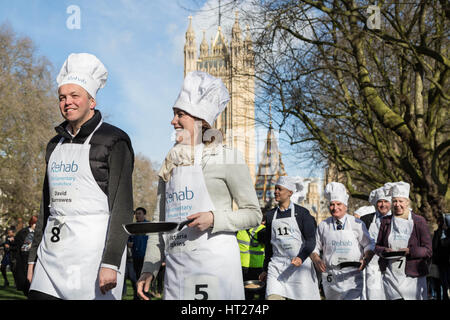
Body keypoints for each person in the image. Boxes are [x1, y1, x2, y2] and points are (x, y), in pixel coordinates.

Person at [136, 71, 262, 300]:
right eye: (174, 114)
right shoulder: (170, 161)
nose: (173, 121)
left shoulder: (227, 157)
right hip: (177, 268)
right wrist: (149, 268)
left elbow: (253, 214)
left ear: (200, 120)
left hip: (215, 267)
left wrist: (215, 219)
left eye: (180, 114)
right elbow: (159, 222)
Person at [27, 53, 134, 300]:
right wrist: (33, 257)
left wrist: (111, 262)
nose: (68, 102)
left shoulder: (115, 140)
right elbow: (46, 206)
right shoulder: (54, 144)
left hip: (93, 261)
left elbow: (122, 207)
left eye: (75, 95)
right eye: (62, 97)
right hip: (50, 257)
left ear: (91, 100)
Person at [258, 177, 320, 300]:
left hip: (299, 267)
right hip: (277, 266)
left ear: (290, 193)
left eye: (279, 189)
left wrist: (301, 258)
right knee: (272, 297)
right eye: (275, 188)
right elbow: (269, 246)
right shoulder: (270, 215)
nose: (276, 191)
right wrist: (265, 269)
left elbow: (311, 241)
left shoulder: (302, 213)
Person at [311, 182, 374, 300]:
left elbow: (369, 244)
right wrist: (317, 260)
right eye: (332, 204)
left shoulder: (357, 223)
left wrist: (366, 259)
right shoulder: (323, 225)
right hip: (331, 276)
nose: (335, 208)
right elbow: (315, 247)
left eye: (339, 204)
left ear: (345, 206)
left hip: (352, 275)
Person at [375, 181, 432, 300]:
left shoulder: (419, 221)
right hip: (391, 275)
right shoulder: (386, 221)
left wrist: (410, 251)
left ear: (407, 202)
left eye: (401, 201)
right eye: (394, 201)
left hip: (413, 276)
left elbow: (427, 251)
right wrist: (384, 250)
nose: (397, 204)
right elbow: (377, 246)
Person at [360, 183, 393, 300]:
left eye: (386, 201)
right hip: (371, 265)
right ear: (376, 203)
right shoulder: (366, 219)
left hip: (391, 264)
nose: (383, 204)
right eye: (380, 202)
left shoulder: (396, 219)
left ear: (391, 203)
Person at [237, 213, 266, 300]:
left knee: (245, 292)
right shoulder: (262, 230)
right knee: (261, 292)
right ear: (263, 221)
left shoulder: (239, 230)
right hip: (258, 267)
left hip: (242, 266)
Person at [12, 216, 38, 296]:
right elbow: (16, 247)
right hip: (23, 260)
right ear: (31, 224)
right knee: (25, 282)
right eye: (35, 224)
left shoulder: (39, 233)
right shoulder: (22, 233)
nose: (36, 226)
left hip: (36, 260)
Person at [431, 214, 449, 300]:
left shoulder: (439, 233)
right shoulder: (445, 233)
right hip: (445, 261)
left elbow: (434, 247)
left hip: (440, 261)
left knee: (441, 281)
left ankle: (441, 297)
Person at [128, 207, 149, 279]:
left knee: (147, 275)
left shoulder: (150, 225)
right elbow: (128, 239)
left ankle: (148, 289)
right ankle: (140, 290)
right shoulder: (132, 226)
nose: (137, 216)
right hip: (136, 256)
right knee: (138, 275)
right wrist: (128, 243)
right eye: (136, 214)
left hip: (147, 255)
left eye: (139, 213)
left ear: (144, 214)